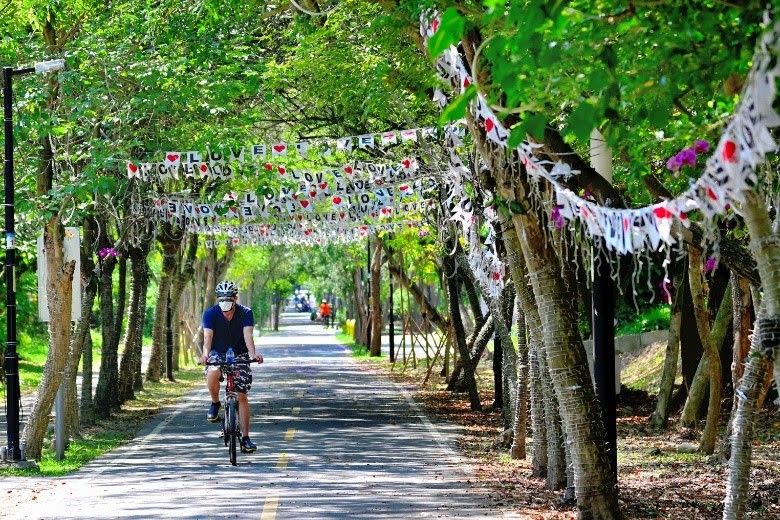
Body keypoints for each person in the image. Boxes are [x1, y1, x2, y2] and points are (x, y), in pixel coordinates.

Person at [200, 280, 263, 453]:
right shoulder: (210, 314)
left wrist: (252, 355)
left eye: (228, 298)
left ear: (235, 298)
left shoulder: (246, 313)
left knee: (241, 396)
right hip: (217, 353)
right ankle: (215, 402)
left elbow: (248, 335)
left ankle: (246, 438)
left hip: (240, 354)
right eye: (222, 299)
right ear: (218, 299)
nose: (225, 302)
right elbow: (207, 338)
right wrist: (205, 355)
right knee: (212, 371)